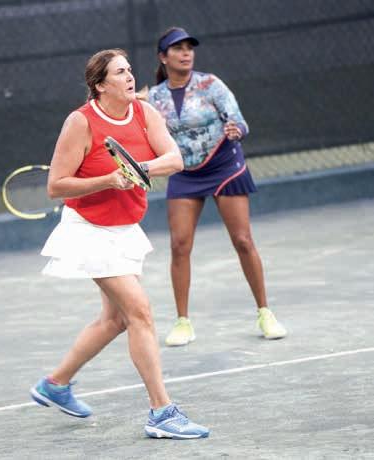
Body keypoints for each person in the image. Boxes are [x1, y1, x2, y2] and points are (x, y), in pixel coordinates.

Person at [29, 48, 209, 439]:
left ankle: (55, 384)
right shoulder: (80, 122)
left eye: (129, 70)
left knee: (115, 320)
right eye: (119, 72)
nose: (129, 77)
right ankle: (162, 412)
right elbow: (56, 186)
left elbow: (174, 159)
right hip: (88, 230)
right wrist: (109, 179)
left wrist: (137, 168)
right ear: (100, 85)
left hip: (125, 228)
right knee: (140, 312)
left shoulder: (144, 113)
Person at [148, 28, 287, 346]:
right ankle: (183, 322)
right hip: (184, 173)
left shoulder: (211, 84)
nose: (186, 53)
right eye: (177, 48)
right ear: (163, 57)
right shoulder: (154, 98)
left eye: (189, 47)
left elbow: (239, 120)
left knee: (242, 240)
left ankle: (265, 313)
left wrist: (237, 130)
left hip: (225, 167)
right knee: (179, 245)